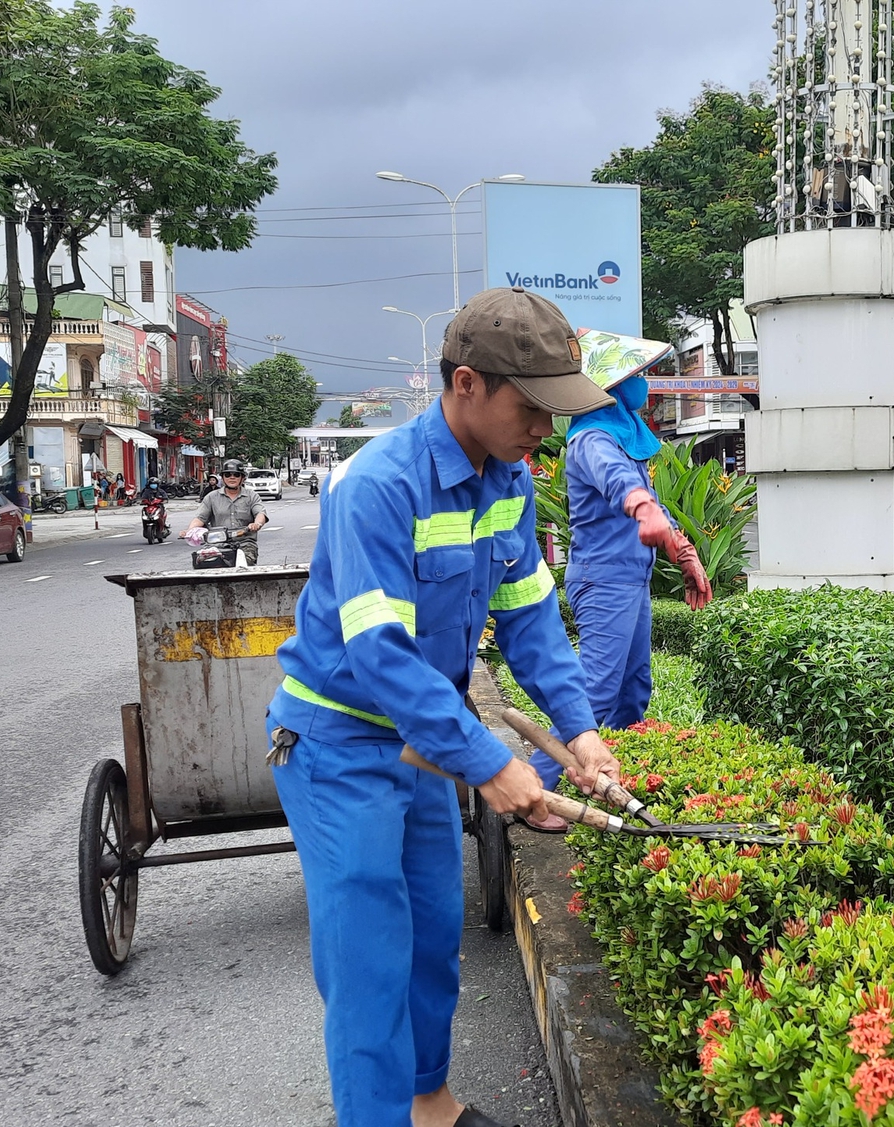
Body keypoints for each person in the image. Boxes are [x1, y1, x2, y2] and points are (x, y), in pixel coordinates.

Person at [264, 287, 621, 1127]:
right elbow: (379, 653)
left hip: (428, 745)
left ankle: (428, 1100)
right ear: (467, 384)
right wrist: (495, 765)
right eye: (532, 407)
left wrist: (581, 733)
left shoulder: (510, 483)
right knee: (370, 962)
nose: (547, 429)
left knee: (432, 939)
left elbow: (532, 620)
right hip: (339, 741)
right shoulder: (376, 486)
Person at [544, 330, 713, 829]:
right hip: (604, 581)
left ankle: (612, 780)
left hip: (628, 580)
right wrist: (641, 507)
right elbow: (623, 487)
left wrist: (684, 553)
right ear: (613, 387)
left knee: (632, 691)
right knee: (594, 693)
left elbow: (651, 503)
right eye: (636, 376)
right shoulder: (591, 439)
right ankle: (537, 792)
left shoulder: (620, 438)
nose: (644, 384)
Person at [184, 458, 268, 564]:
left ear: (243, 478)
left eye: (236, 475)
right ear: (223, 478)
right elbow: (200, 518)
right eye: (228, 475)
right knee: (203, 563)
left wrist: (257, 524)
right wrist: (190, 531)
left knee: (243, 565)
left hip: (244, 543)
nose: (232, 478)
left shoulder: (251, 496)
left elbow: (260, 513)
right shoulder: (211, 497)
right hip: (215, 544)